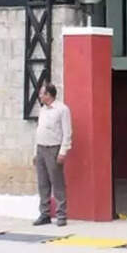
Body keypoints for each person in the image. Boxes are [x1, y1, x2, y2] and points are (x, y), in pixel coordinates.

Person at [33, 82, 72, 226]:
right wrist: (35, 152)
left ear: (48, 95)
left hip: (53, 148)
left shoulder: (62, 109)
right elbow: (39, 130)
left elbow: (67, 132)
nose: (40, 96)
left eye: (42, 93)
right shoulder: (42, 110)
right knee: (43, 183)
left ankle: (61, 214)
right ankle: (45, 214)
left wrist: (63, 151)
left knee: (57, 182)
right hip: (41, 148)